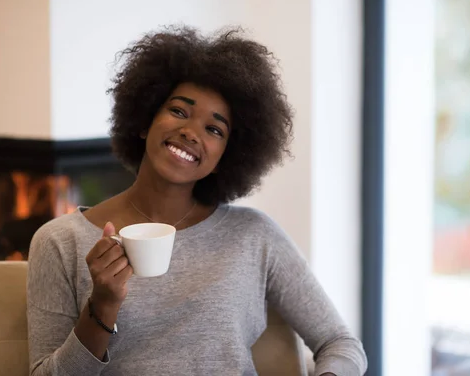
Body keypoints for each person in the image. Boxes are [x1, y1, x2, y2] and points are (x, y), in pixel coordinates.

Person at [27, 26, 367, 376]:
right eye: (178, 111)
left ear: (226, 156)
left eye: (215, 129)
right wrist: (103, 305)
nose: (191, 132)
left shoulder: (254, 236)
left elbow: (341, 343)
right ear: (144, 121)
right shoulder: (60, 242)